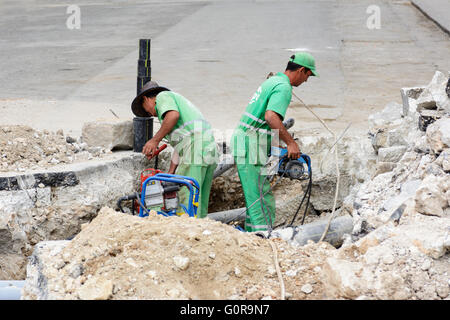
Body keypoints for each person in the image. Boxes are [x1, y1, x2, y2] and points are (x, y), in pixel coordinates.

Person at [230, 52, 318, 232]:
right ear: (301, 70)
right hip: (250, 144)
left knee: (255, 196)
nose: (306, 81)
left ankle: (250, 236)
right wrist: (291, 143)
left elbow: (262, 120)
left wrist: (277, 144)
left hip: (247, 141)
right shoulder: (284, 87)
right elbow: (270, 117)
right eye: (308, 76)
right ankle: (262, 238)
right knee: (261, 199)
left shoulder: (272, 81)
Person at [131, 81, 218, 218]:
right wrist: (171, 173)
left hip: (196, 147)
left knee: (187, 192)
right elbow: (179, 147)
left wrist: (154, 140)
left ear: (146, 98)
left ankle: (186, 229)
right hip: (208, 147)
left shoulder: (162, 97)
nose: (150, 114)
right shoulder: (178, 109)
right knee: (198, 195)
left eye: (146, 109)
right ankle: (199, 228)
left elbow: (173, 115)